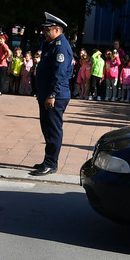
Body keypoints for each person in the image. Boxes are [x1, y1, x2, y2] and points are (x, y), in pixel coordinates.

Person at [31, 12, 74, 176]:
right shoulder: (52, 44)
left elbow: (60, 73)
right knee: (47, 129)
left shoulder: (60, 47)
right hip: (48, 93)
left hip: (55, 95)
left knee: (53, 129)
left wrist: (52, 94)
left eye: (47, 30)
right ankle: (48, 159)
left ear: (56, 30)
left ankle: (51, 163)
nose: (44, 32)